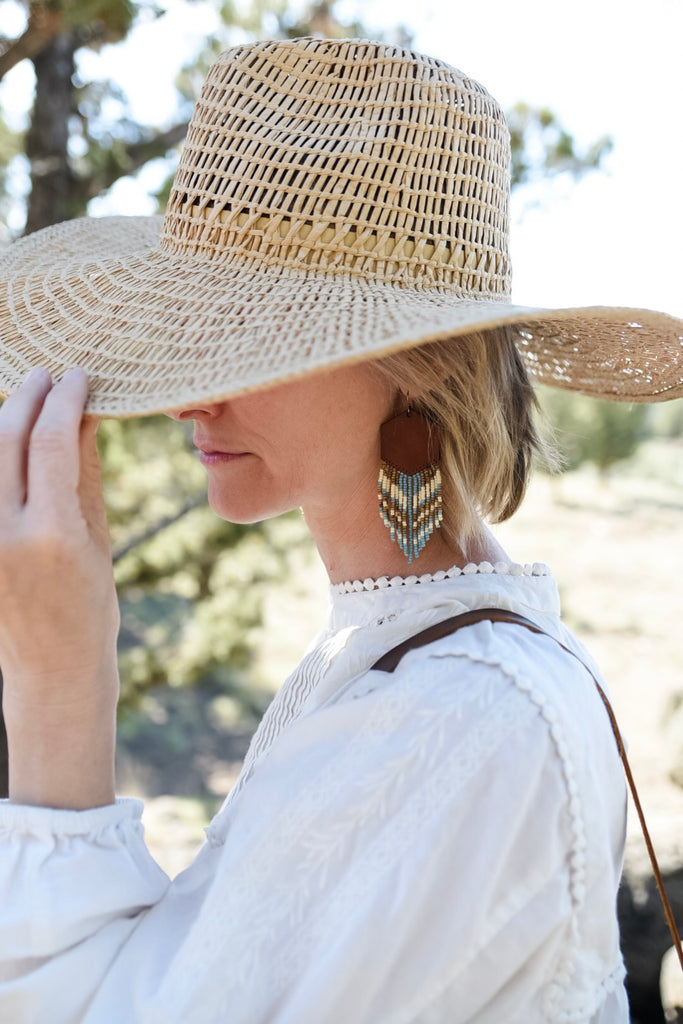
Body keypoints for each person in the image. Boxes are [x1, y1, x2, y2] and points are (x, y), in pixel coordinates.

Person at [0, 36, 681, 1024]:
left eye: (252, 329)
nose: (196, 385)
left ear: (413, 368)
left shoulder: (460, 716)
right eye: (187, 323)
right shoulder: (404, 656)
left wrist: (62, 694)